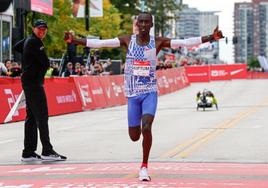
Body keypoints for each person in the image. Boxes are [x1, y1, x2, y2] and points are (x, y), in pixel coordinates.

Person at [64, 12, 223, 181]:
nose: (144, 25)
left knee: (146, 127)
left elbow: (185, 43)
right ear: (137, 24)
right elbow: (101, 43)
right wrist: (75, 40)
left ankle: (144, 167)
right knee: (134, 136)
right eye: (141, 22)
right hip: (132, 94)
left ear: (151, 25)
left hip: (149, 92)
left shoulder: (158, 42)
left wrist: (211, 37)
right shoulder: (127, 40)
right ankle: (139, 142)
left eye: (147, 22)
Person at [13, 19, 67, 162]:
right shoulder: (35, 42)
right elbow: (46, 63)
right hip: (34, 84)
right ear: (33, 28)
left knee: (31, 117)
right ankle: (47, 151)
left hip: (28, 82)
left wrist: (28, 56)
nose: (42, 31)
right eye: (39, 29)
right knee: (42, 116)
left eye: (44, 29)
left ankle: (28, 152)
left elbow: (16, 46)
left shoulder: (30, 40)